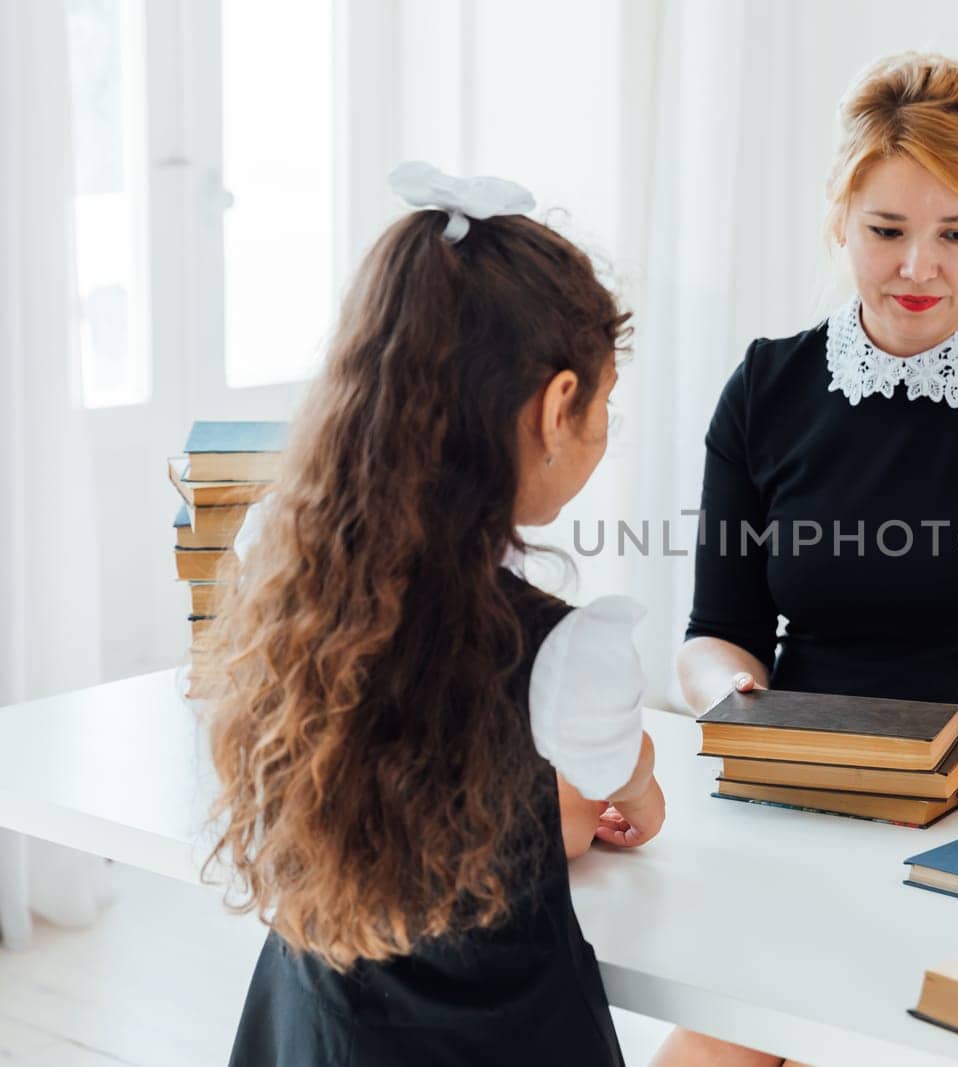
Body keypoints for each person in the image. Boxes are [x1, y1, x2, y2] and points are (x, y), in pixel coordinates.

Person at [663, 51, 958, 1067]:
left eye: (957, 234)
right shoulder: (765, 387)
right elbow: (716, 636)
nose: (918, 267)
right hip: (795, 803)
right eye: (886, 230)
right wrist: (741, 706)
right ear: (839, 218)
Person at [205, 163, 664, 1066]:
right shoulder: (567, 650)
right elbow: (624, 783)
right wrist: (638, 796)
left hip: (316, 1032)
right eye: (605, 405)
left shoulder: (289, 568)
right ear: (556, 405)